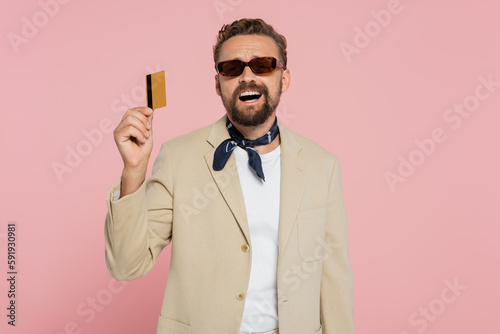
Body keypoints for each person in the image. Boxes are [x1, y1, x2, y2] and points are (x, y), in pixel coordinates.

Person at [104, 18, 355, 334]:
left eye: (262, 65)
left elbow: (334, 280)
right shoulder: (179, 157)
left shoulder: (322, 166)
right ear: (217, 83)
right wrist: (134, 171)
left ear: (284, 78)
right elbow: (127, 265)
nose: (247, 76)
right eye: (232, 69)